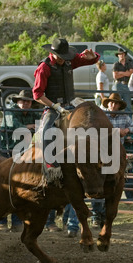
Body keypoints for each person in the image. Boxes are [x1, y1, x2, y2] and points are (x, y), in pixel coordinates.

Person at [32, 38, 99, 184]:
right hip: (52, 107)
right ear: (53, 54)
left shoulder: (70, 60)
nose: (63, 60)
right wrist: (55, 106)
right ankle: (51, 165)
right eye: (61, 57)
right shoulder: (44, 67)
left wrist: (93, 57)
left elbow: (89, 61)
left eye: (65, 57)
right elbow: (37, 94)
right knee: (47, 131)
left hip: (71, 103)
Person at [0, 90, 40, 232]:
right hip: (5, 151)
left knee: (19, 188)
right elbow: (15, 127)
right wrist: (31, 127)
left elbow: (42, 125)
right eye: (23, 101)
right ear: (18, 102)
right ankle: (1, 221)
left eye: (28, 101)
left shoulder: (33, 113)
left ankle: (16, 221)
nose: (25, 103)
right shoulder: (10, 112)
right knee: (2, 187)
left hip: (19, 153)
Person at [102, 93, 133, 200]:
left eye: (115, 103)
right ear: (108, 104)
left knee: (115, 176)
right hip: (103, 150)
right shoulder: (102, 115)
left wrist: (127, 130)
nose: (113, 105)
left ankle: (111, 198)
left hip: (117, 150)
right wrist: (116, 131)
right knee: (103, 175)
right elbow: (97, 129)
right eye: (111, 103)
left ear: (118, 106)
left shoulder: (124, 117)